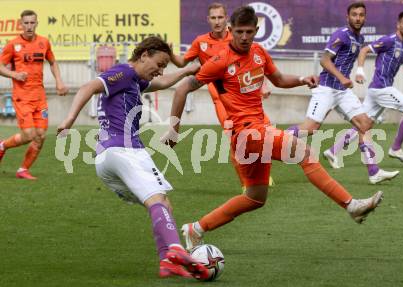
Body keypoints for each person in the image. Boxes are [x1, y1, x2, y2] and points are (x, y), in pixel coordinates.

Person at [162, 6, 383, 250]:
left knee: (255, 198)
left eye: (249, 32)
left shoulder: (258, 52)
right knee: (304, 153)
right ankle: (350, 205)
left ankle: (196, 229)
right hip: (246, 133)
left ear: (256, 30)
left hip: (256, 130)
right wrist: (173, 130)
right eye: (239, 32)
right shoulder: (220, 60)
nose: (244, 37)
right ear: (230, 30)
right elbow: (182, 88)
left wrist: (301, 80)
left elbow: (278, 80)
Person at [56, 36, 209, 280]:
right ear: (144, 54)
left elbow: (162, 83)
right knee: (158, 200)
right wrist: (69, 119)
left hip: (106, 160)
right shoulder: (125, 72)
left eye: (163, 66)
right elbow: (88, 87)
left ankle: (167, 261)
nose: (159, 71)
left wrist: (188, 70)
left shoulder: (135, 81)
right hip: (124, 151)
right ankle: (177, 251)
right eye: (158, 64)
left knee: (163, 205)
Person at [286, 2, 399, 184]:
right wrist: (342, 78)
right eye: (354, 14)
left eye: (361, 15)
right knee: (310, 129)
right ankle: (273, 140)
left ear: (365, 18)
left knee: (365, 123)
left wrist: (352, 76)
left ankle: (374, 172)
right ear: (347, 17)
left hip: (342, 91)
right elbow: (324, 60)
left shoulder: (359, 39)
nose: (358, 18)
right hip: (326, 89)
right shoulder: (341, 35)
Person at [171, 2, 273, 189]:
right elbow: (181, 62)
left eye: (220, 17)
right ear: (208, 20)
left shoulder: (238, 38)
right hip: (221, 99)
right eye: (213, 18)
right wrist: (170, 54)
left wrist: (263, 85)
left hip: (245, 98)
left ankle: (260, 172)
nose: (217, 21)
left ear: (226, 20)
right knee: (235, 139)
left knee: (264, 132)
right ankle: (246, 183)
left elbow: (254, 65)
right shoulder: (200, 42)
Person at [325, 11, 403, 163]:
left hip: (376, 91)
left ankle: (333, 151)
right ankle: (396, 148)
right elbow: (364, 50)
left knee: (364, 124)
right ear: (398, 25)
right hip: (381, 88)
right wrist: (360, 70)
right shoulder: (389, 40)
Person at [0, 10, 69, 179]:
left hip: (40, 97)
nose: (29, 26)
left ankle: (23, 170)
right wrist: (14, 75)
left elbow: (53, 62)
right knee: (29, 135)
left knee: (41, 136)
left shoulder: (43, 42)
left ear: (36, 23)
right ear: (21, 24)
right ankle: (2, 146)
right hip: (22, 97)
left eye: (32, 23)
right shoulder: (13, 44)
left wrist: (59, 81)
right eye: (26, 23)